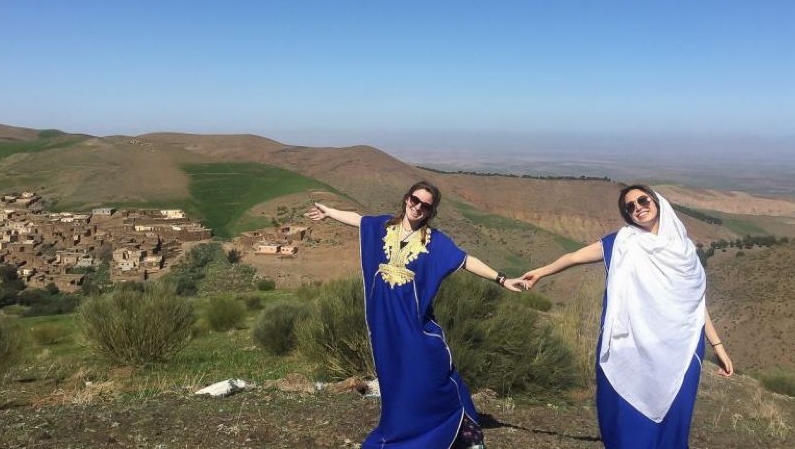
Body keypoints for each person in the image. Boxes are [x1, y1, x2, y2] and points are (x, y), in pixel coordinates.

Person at [305, 181, 526, 449]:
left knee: (434, 371)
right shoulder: (383, 227)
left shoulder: (435, 242)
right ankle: (402, 428)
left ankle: (465, 428)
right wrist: (329, 212)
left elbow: (466, 260)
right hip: (385, 324)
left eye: (425, 206)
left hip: (414, 324)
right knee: (397, 379)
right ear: (406, 198)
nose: (418, 207)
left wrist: (502, 279)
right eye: (415, 200)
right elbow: (359, 220)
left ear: (431, 212)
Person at [521, 185, 733, 449]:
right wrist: (541, 272)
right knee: (627, 415)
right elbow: (575, 257)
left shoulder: (684, 250)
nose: (638, 208)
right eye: (630, 207)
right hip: (632, 345)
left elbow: (694, 303)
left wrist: (717, 346)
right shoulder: (623, 242)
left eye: (643, 200)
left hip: (681, 348)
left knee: (675, 415)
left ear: (657, 202)